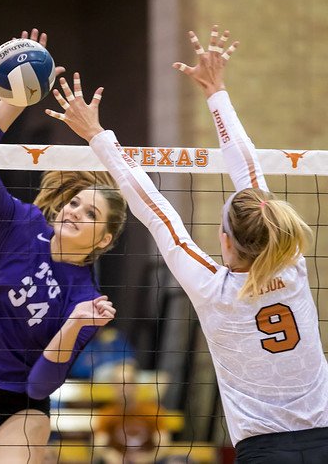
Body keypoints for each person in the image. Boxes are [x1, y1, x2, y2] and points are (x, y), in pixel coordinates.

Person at [47, 26, 328, 464]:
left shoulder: (214, 289)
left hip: (263, 451)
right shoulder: (291, 265)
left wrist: (97, 136)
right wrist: (217, 91)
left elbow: (156, 210)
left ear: (224, 241)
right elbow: (250, 173)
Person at [0, 29, 126, 464]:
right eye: (75, 203)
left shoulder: (87, 301)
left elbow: (40, 386)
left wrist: (74, 325)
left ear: (105, 240)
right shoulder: (20, 224)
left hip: (21, 403)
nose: (74, 212)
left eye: (90, 215)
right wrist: (18, 97)